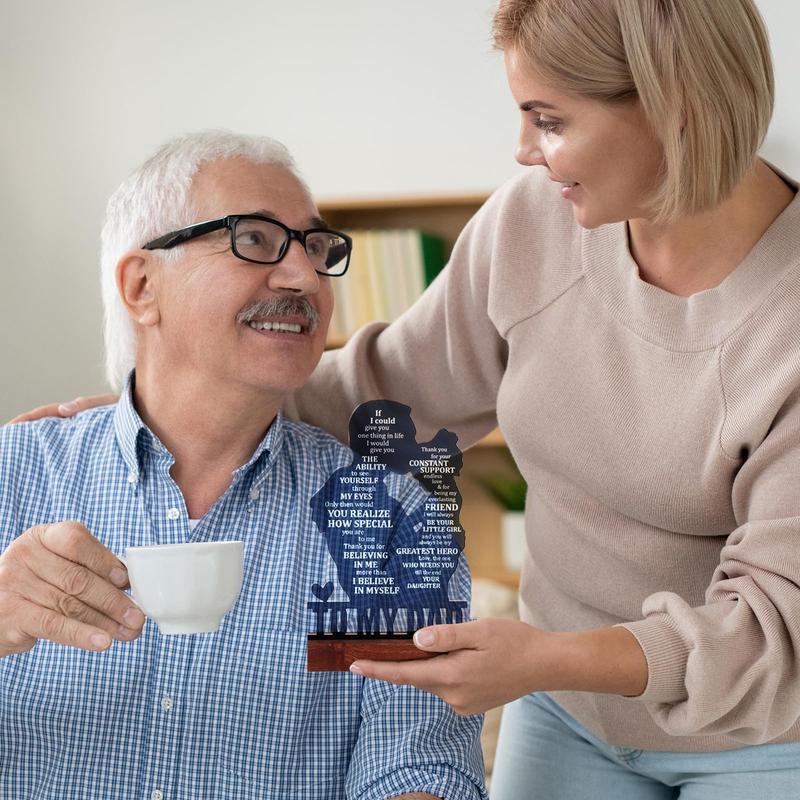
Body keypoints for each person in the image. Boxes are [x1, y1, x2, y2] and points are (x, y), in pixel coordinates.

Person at [16, 0, 800, 797]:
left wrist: (542, 656)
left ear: (674, 112)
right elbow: (383, 387)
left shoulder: (787, 324)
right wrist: (159, 408)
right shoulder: (536, 224)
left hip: (757, 726)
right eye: (255, 242)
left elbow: (774, 631)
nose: (524, 151)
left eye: (548, 119)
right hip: (570, 712)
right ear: (140, 285)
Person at [0, 131, 487, 800]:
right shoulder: (11, 475)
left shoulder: (394, 523)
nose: (304, 277)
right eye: (254, 240)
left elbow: (419, 770)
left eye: (316, 249)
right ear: (142, 287)